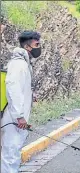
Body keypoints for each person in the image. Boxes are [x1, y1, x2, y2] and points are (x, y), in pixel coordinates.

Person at [1, 31, 42, 173]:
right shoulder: (19, 64)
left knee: (12, 151)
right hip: (13, 116)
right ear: (27, 46)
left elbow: (20, 87)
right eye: (37, 44)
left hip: (15, 115)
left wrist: (30, 95)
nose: (39, 47)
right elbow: (12, 87)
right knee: (11, 153)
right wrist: (19, 115)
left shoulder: (24, 63)